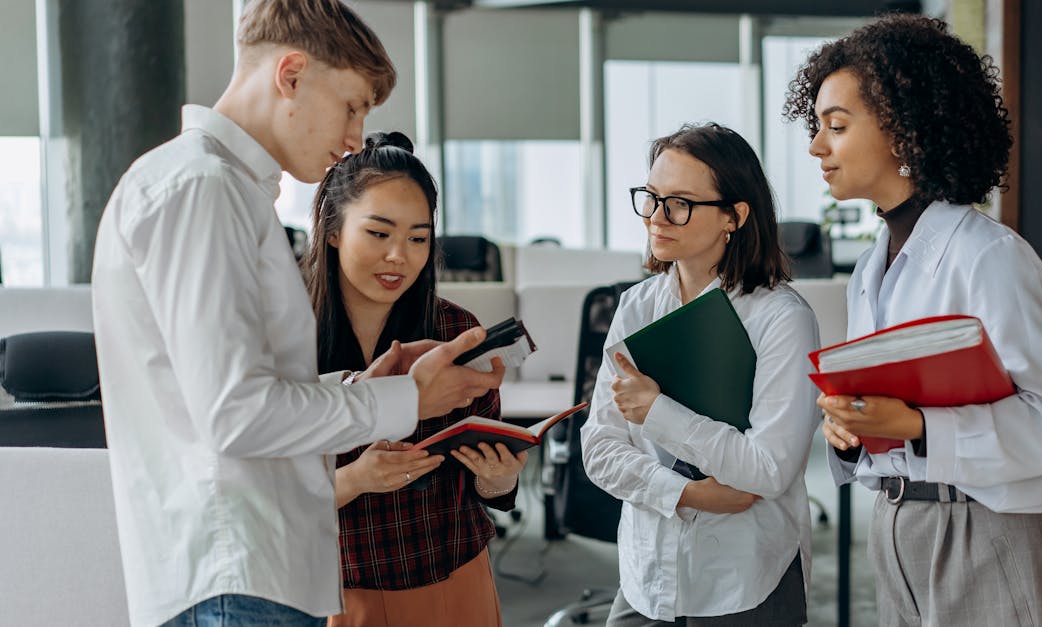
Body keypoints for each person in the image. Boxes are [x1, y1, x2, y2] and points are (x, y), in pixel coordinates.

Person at [90, 2, 504, 625]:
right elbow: (236, 414)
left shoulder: (224, 190)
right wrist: (406, 400)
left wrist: (362, 388)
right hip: (236, 573)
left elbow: (239, 394)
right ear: (291, 74)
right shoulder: (203, 189)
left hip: (252, 567)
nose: (355, 138)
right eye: (351, 106)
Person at [786, 14, 1042, 626]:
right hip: (899, 527)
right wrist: (853, 428)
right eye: (816, 127)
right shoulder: (871, 268)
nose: (816, 146)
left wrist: (918, 426)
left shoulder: (991, 257)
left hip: (994, 534)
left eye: (836, 126)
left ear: (904, 132)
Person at [580, 122, 821, 626]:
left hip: (743, 576)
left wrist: (656, 412)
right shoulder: (636, 307)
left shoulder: (781, 318)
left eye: (680, 204)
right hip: (648, 573)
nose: (657, 217)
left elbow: (768, 470)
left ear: (734, 216)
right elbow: (599, 448)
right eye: (651, 198)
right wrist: (686, 495)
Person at [305, 131, 525, 627]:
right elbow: (261, 494)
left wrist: (500, 480)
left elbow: (486, 477)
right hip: (335, 591)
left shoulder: (456, 330)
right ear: (334, 229)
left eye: (418, 238)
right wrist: (355, 480)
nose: (399, 256)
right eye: (379, 234)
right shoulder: (288, 336)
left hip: (454, 579)